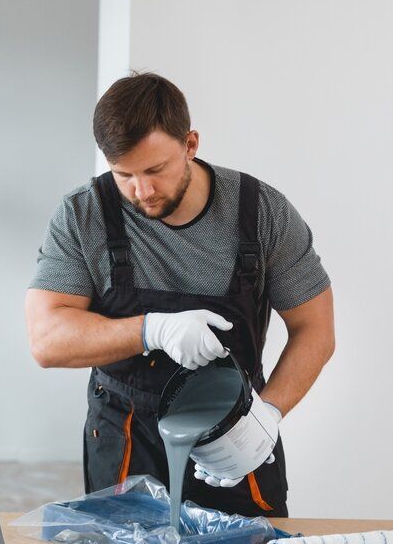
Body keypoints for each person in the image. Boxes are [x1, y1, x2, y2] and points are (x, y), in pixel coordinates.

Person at [25, 73, 335, 517]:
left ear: (190, 144)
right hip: (126, 437)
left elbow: (316, 330)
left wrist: (267, 415)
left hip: (234, 431)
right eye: (123, 175)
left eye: (155, 170)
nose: (142, 191)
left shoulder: (261, 213)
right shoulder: (83, 215)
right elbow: (46, 339)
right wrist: (152, 329)